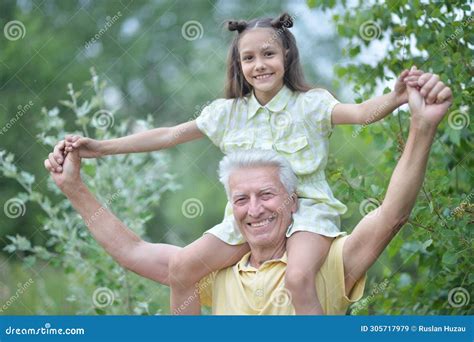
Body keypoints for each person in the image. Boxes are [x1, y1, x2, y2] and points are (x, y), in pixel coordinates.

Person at [47, 12, 425, 314]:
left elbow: (360, 114)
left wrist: (394, 99)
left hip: (309, 213)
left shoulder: (311, 104)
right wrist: (100, 147)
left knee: (297, 278)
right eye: (249, 57)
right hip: (247, 219)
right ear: (238, 64)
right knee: (182, 268)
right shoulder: (226, 114)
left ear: (287, 57)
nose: (259, 65)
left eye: (268, 54)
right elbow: (167, 135)